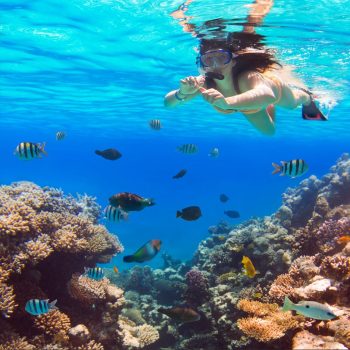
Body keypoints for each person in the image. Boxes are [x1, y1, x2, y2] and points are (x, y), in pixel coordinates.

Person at [165, 1, 327, 136]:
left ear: (233, 60)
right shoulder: (204, 83)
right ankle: (258, 103)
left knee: (291, 104)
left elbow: (268, 94)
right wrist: (182, 94)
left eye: (222, 57)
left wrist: (227, 102)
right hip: (248, 104)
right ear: (203, 64)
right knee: (269, 133)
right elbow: (168, 104)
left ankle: (307, 96)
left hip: (269, 91)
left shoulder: (247, 76)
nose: (216, 65)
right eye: (209, 60)